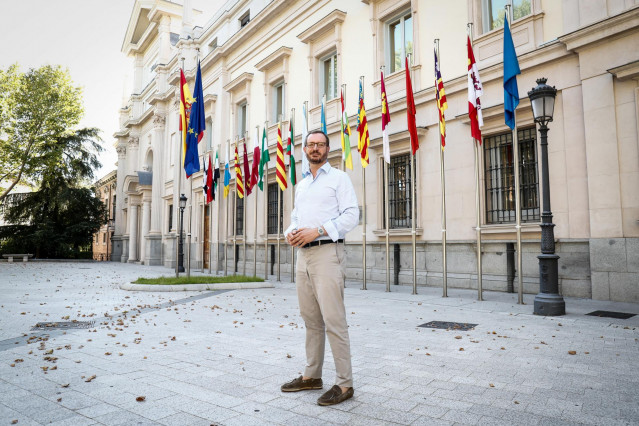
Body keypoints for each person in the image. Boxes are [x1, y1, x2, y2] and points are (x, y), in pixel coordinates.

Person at [281, 129, 359, 406]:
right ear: (305, 149)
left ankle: (345, 383)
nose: (315, 148)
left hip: (328, 254)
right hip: (303, 258)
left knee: (334, 320)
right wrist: (290, 232)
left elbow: (352, 214)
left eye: (320, 144)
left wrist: (319, 230)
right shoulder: (302, 185)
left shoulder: (339, 178)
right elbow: (295, 218)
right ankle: (312, 376)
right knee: (311, 320)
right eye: (311, 144)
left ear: (328, 148)